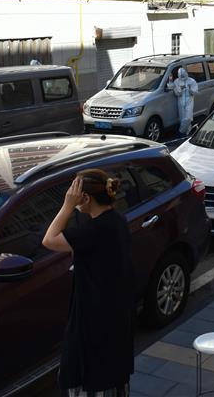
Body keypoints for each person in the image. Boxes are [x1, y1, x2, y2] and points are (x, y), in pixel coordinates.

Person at [43, 170, 134, 397]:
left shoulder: (93, 231)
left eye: (75, 196)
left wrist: (67, 206)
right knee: (112, 373)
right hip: (115, 314)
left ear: (86, 198)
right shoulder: (117, 220)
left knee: (90, 375)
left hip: (93, 319)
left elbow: (49, 240)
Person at [168, 67, 198, 135]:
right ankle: (187, 133)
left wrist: (190, 89)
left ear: (186, 73)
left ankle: (181, 132)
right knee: (182, 119)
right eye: (181, 76)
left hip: (189, 101)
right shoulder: (176, 81)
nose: (182, 77)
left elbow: (195, 92)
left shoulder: (192, 81)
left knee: (188, 118)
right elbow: (176, 93)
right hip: (180, 101)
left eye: (183, 75)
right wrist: (180, 89)